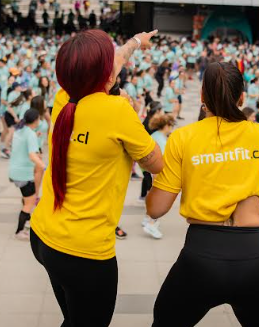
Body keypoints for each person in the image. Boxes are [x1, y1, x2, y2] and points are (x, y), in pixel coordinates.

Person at [30, 29, 163, 327]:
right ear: (106, 76)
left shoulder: (64, 98)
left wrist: (135, 43)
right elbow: (156, 163)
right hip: (83, 253)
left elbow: (112, 64)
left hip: (42, 235)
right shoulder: (117, 111)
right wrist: (132, 113)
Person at [146, 61, 259, 327]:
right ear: (242, 97)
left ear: (204, 97)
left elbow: (156, 209)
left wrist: (156, 176)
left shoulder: (183, 138)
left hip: (202, 255)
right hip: (253, 254)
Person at [8, 108, 44, 241]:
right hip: (24, 173)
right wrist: (43, 166)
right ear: (36, 120)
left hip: (15, 170)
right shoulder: (30, 134)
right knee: (29, 202)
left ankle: (28, 222)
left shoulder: (20, 130)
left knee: (27, 199)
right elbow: (32, 154)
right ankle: (19, 231)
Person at [142, 113, 176, 240]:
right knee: (158, 200)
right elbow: (159, 160)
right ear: (166, 125)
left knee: (152, 197)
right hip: (157, 174)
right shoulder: (161, 140)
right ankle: (151, 224)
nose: (171, 128)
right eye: (171, 126)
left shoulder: (156, 135)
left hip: (149, 171)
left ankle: (147, 219)